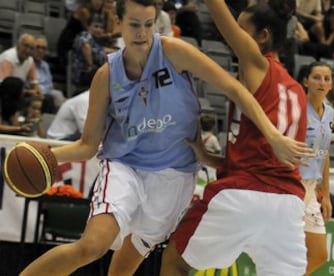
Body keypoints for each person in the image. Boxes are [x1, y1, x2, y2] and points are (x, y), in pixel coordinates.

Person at [20, 0, 312, 275]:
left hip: (174, 176)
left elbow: (236, 91)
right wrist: (46, 154)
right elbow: (87, 145)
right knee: (92, 246)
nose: (142, 32)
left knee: (126, 267)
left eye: (148, 24)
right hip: (127, 166)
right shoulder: (106, 75)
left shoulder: (175, 51)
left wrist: (270, 136)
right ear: (118, 22)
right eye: (134, 24)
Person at [160, 0, 310, 275]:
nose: (235, 36)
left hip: (245, 194)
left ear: (263, 37)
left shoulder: (256, 64)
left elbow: (221, 20)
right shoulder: (297, 90)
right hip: (288, 205)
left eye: (243, 30)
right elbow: (262, 153)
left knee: (174, 262)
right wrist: (210, 158)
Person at [300, 61, 333, 275]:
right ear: (305, 81)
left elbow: (325, 153)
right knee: (288, 250)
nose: (322, 82)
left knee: (320, 254)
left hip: (312, 190)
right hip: (292, 185)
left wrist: (327, 195)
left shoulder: (329, 112)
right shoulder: (298, 108)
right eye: (316, 77)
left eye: (327, 79)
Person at [0, 33, 43, 98]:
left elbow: (35, 84)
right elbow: (5, 87)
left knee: (46, 99)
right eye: (26, 46)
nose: (28, 50)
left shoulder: (30, 60)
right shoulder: (8, 59)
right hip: (4, 95)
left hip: (18, 94)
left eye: (31, 48)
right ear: (18, 46)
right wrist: (29, 92)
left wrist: (38, 92)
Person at [32, 36, 66, 112]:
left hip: (45, 92)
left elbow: (49, 85)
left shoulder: (45, 65)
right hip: (33, 92)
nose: (40, 51)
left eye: (43, 48)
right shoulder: (28, 63)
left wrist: (43, 91)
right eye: (38, 47)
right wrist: (41, 91)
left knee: (58, 94)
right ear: (32, 48)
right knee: (50, 98)